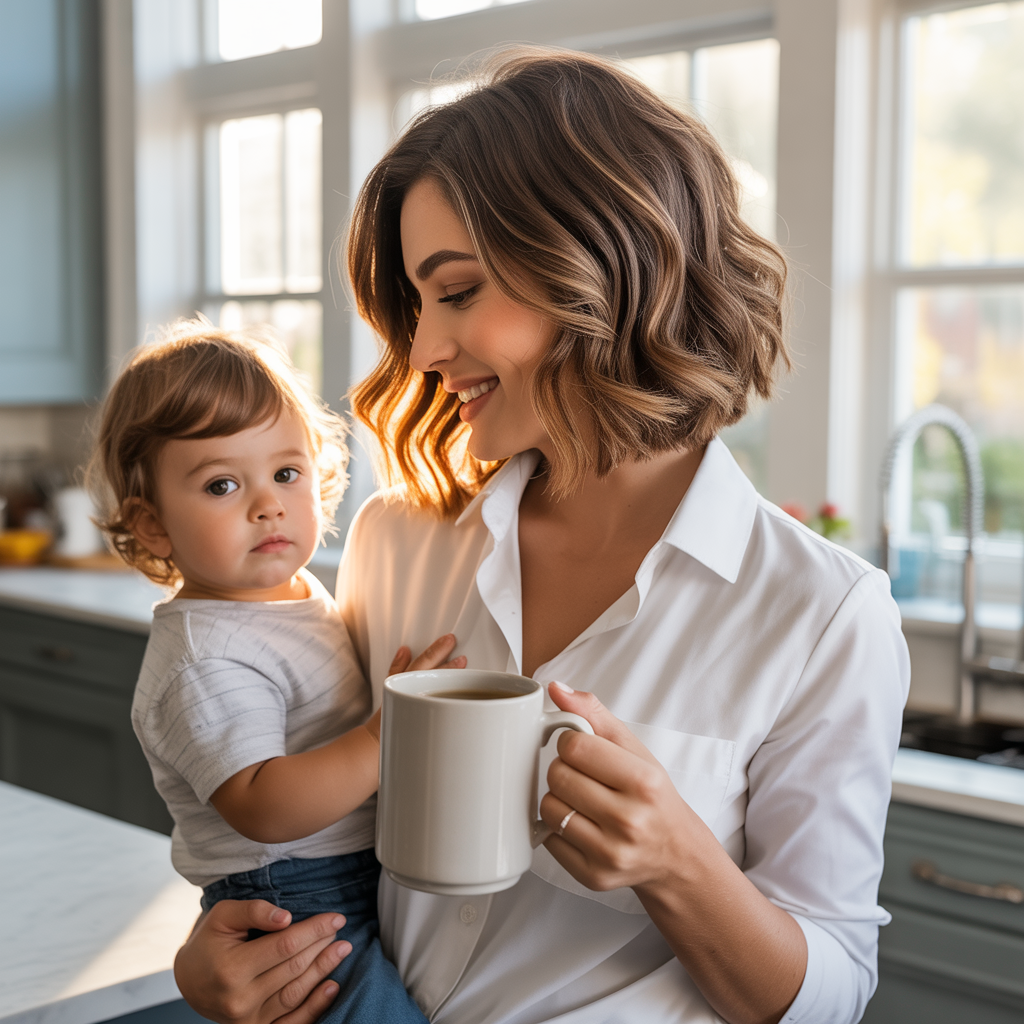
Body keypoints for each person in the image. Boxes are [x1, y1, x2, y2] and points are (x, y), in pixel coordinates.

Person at [172, 48, 910, 1024]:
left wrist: (677, 861)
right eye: (419, 302)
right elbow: (304, 814)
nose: (426, 349)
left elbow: (830, 995)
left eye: (460, 291)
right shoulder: (397, 543)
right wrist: (212, 953)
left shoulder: (822, 616)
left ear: (603, 267)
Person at [87, 324, 464, 1024]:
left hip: (343, 877)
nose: (267, 503)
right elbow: (263, 805)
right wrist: (391, 732)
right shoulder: (206, 651)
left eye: (286, 473)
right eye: (222, 484)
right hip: (294, 898)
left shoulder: (285, 593)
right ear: (153, 525)